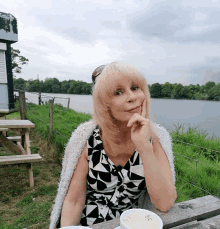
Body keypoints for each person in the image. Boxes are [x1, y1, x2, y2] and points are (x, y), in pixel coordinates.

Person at [49, 62, 177, 229]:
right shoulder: (86, 138)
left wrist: (144, 146)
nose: (132, 97)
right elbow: (73, 201)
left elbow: (165, 203)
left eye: (136, 87)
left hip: (131, 224)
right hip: (89, 224)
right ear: (104, 104)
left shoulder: (157, 137)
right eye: (118, 92)